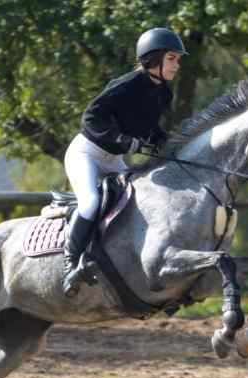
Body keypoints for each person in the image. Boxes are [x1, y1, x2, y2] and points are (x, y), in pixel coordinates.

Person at [61, 27, 187, 297]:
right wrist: (120, 138)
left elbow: (148, 127)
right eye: (172, 59)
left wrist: (168, 144)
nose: (177, 65)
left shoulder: (164, 93)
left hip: (114, 158)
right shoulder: (127, 83)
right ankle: (70, 265)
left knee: (136, 202)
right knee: (91, 202)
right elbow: (90, 118)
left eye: (177, 60)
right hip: (86, 152)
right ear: (154, 59)